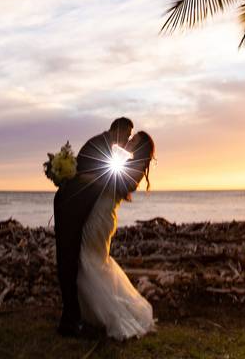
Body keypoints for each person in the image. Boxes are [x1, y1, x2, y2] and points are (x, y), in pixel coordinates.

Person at [53, 117, 134, 337]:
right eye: (126, 135)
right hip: (70, 206)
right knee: (68, 261)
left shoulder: (109, 147)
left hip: (76, 206)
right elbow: (88, 178)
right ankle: (71, 321)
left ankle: (73, 317)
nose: (127, 140)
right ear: (116, 130)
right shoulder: (99, 145)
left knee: (73, 260)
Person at [76, 131, 156, 340]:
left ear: (139, 147)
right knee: (95, 261)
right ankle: (94, 314)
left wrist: (80, 176)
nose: (129, 141)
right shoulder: (130, 165)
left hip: (100, 217)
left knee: (86, 259)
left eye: (133, 140)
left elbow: (103, 180)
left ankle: (108, 315)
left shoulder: (131, 169)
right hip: (102, 215)